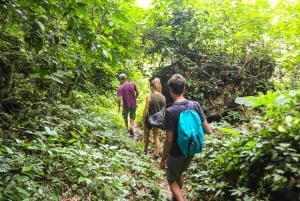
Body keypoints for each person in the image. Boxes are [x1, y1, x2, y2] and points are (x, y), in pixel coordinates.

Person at [159, 74, 212, 201]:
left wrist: (163, 159)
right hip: (191, 148)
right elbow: (208, 130)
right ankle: (176, 197)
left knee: (171, 179)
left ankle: (179, 198)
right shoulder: (195, 105)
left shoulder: (171, 111)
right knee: (179, 173)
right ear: (184, 89)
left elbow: (169, 141)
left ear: (170, 90)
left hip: (176, 152)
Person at [142, 78, 166, 159]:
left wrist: (143, 119)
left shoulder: (149, 96)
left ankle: (145, 150)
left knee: (146, 135)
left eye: (150, 87)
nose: (150, 88)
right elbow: (163, 111)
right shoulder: (163, 97)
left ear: (152, 87)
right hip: (158, 119)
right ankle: (157, 153)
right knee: (156, 136)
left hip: (149, 119)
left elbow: (146, 110)